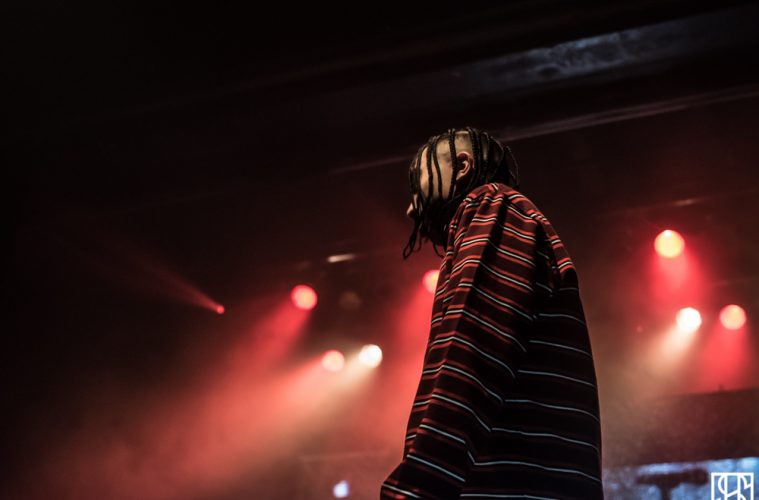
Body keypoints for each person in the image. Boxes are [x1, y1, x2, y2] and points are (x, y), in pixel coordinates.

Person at [381, 127, 603, 499]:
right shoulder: (502, 217)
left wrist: (416, 490)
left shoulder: (493, 206)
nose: (410, 208)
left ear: (462, 166)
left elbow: (472, 359)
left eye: (418, 183)